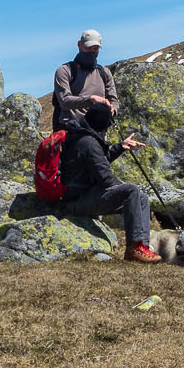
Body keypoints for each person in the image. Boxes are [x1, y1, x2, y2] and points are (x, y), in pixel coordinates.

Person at [54, 30, 159, 262]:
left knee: (137, 194)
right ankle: (135, 248)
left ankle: (141, 246)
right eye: (88, 47)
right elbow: (64, 100)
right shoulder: (65, 71)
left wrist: (120, 146)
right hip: (77, 194)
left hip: (91, 144)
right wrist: (89, 100)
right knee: (132, 191)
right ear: (79, 45)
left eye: (96, 49)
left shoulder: (103, 73)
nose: (92, 52)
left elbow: (114, 101)